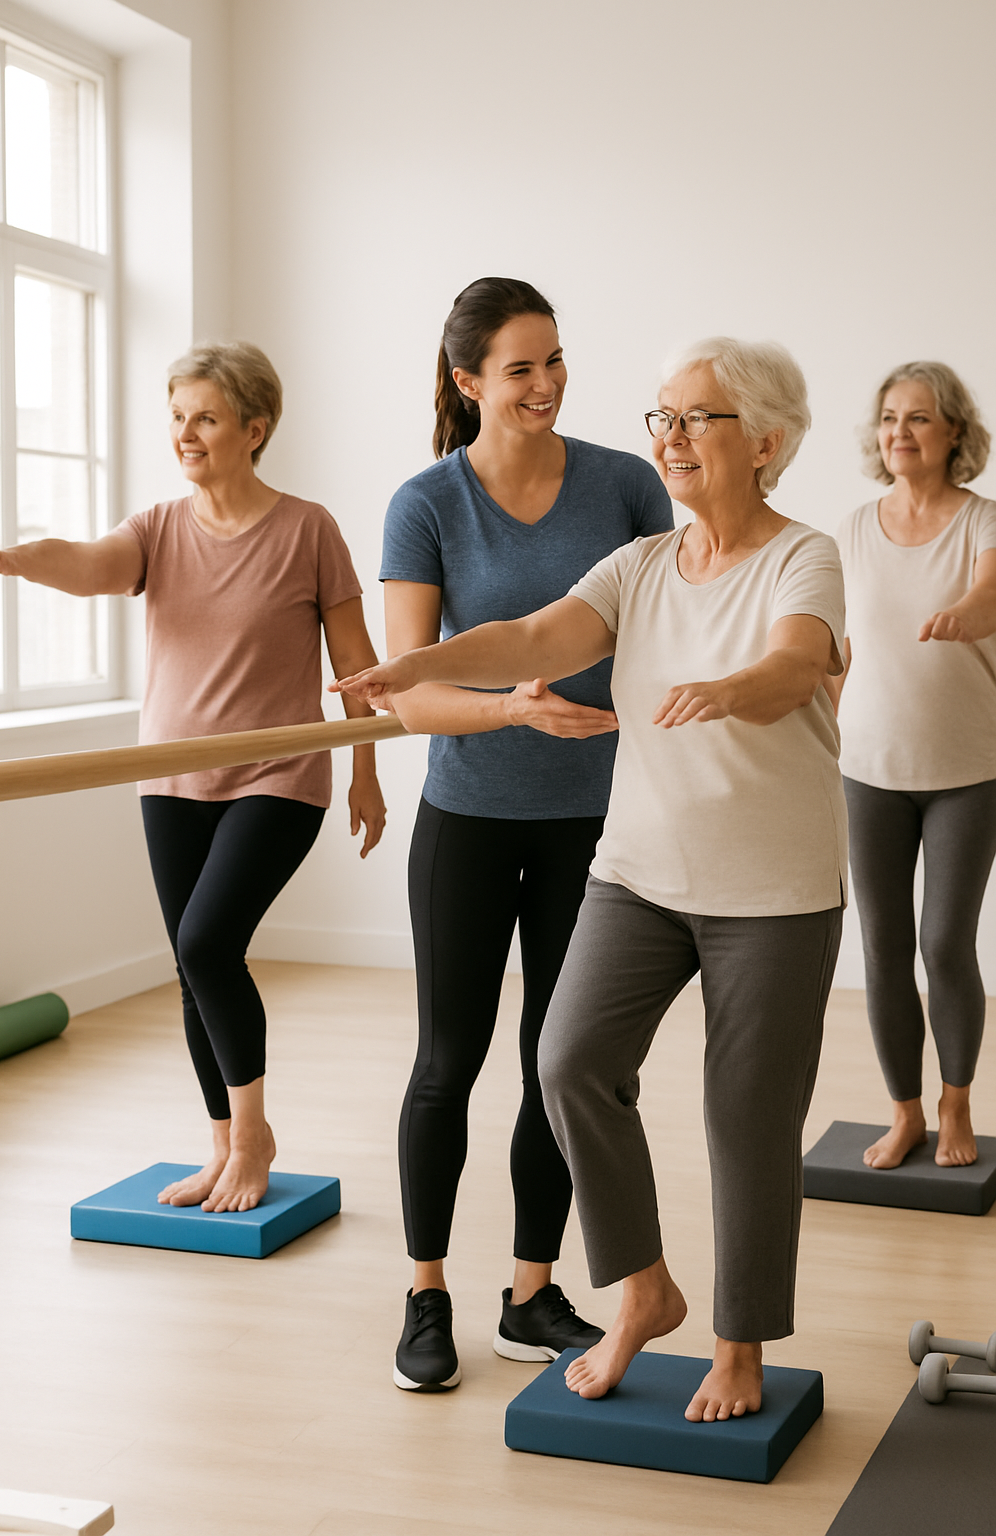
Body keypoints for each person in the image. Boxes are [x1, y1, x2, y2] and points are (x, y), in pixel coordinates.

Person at [337, 336, 846, 1422]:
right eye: (659, 417)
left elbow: (799, 660)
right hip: (639, 875)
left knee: (745, 1119)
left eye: (693, 420)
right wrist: (418, 664)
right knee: (569, 1064)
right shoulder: (643, 564)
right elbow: (533, 634)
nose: (666, 439)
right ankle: (642, 1290)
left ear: (762, 442)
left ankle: (739, 1342)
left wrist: (736, 685)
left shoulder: (803, 556)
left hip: (773, 890)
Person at [0, 341, 386, 1213]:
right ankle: (222, 1146)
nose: (184, 434)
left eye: (203, 417)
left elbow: (356, 665)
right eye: (175, 417)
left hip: (278, 775)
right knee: (198, 963)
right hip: (168, 777)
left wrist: (365, 771)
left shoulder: (308, 529)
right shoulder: (158, 529)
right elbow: (88, 566)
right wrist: (12, 560)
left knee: (206, 945)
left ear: (254, 427)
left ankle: (256, 1136)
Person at [364, 276, 673, 1392]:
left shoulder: (626, 484)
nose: (543, 385)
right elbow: (409, 691)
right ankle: (426, 1292)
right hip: (471, 818)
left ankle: (532, 1292)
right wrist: (514, 706)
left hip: (597, 824)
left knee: (561, 1061)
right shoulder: (426, 503)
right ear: (467, 381)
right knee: (448, 1061)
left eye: (553, 361)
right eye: (518, 368)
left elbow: (666, 627)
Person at [829, 362, 996, 1171]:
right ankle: (903, 1113)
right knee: (883, 946)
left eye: (920, 419)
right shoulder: (855, 529)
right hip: (867, 767)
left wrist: (966, 612)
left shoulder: (982, 523)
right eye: (890, 418)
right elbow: (838, 652)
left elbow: (991, 596)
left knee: (945, 942)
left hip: (968, 769)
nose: (900, 431)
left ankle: (955, 1101)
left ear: (953, 432)